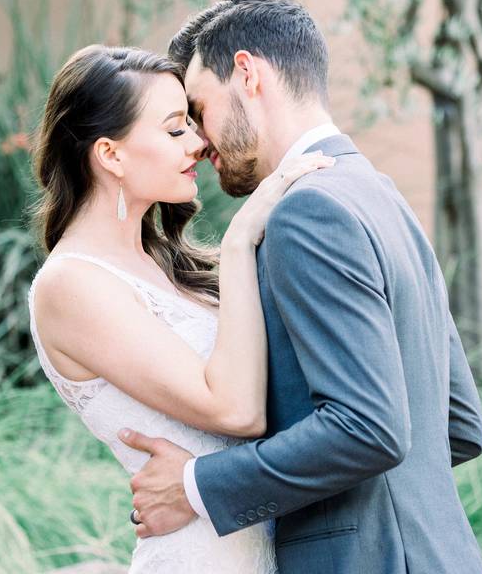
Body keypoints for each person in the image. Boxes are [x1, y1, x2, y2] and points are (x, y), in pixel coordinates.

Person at [119, 0, 482, 573]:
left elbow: (369, 429)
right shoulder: (380, 195)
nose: (199, 140)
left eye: (199, 108)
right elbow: (459, 425)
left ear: (247, 74)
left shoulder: (306, 212)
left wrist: (196, 487)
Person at [27, 44, 335, 572]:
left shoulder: (169, 265)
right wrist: (240, 243)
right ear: (111, 154)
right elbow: (237, 411)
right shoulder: (70, 285)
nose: (197, 143)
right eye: (174, 130)